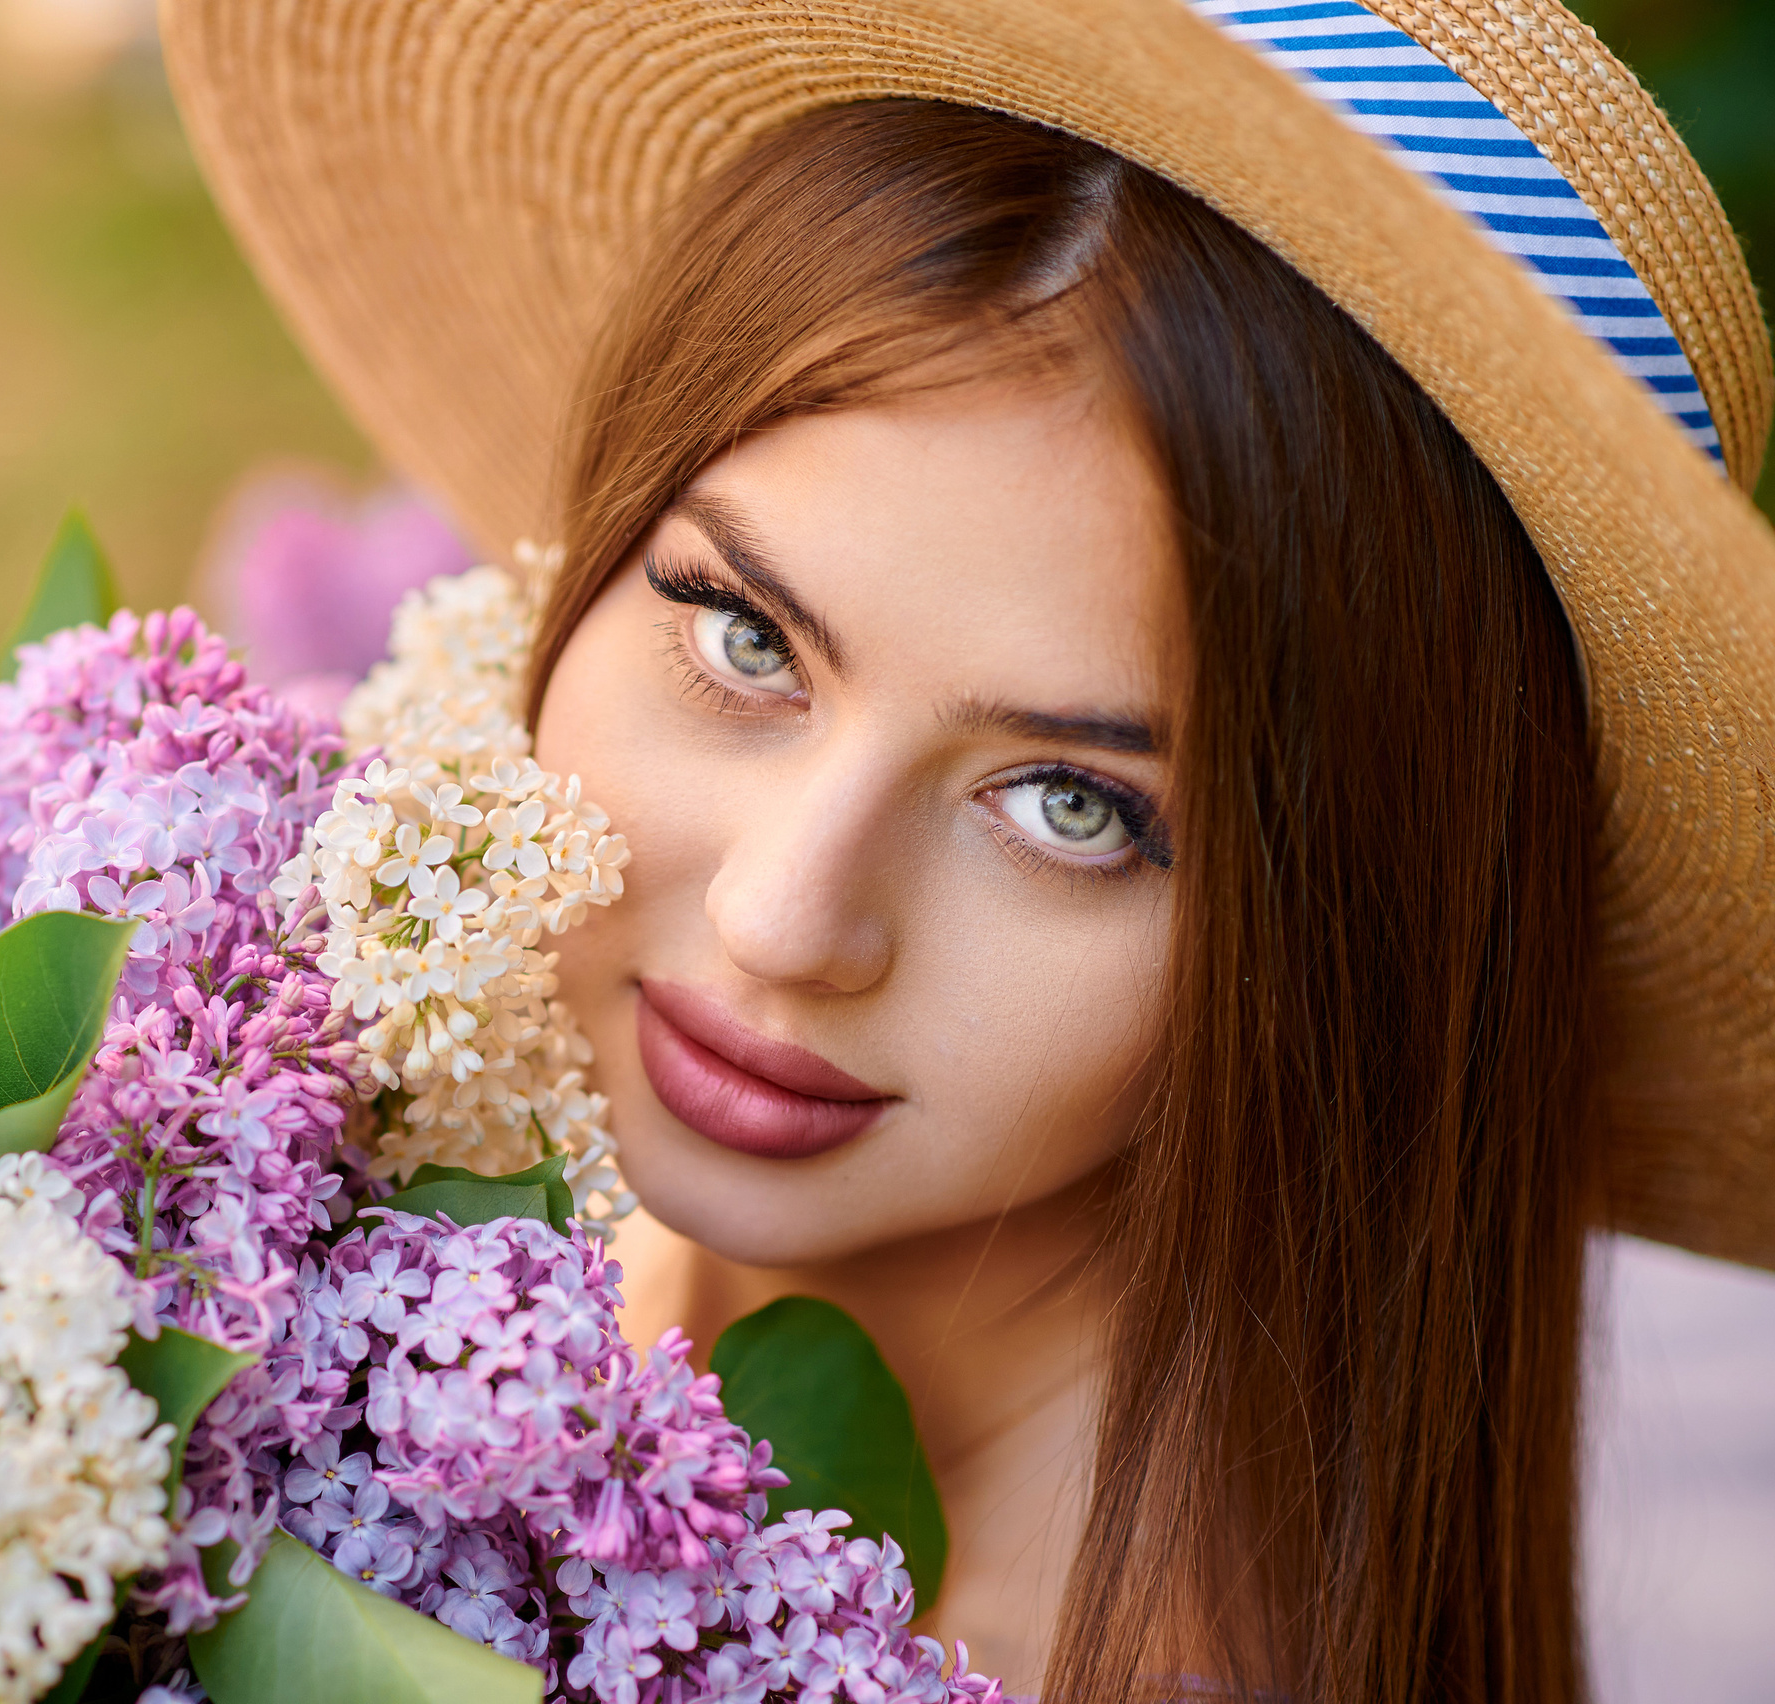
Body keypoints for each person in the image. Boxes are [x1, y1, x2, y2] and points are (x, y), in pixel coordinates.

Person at [163, 2, 1775, 1699]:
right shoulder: (320, 1244)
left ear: (1340, 941)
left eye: (1073, 806)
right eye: (745, 639)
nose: (784, 916)